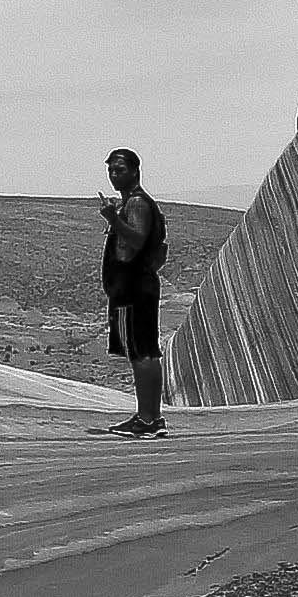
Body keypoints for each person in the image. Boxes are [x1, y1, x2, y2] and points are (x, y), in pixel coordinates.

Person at [95, 148, 173, 436]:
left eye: (120, 170)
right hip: (140, 287)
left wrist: (112, 219)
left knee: (141, 353)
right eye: (111, 170)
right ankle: (152, 417)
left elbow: (137, 239)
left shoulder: (138, 203)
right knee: (147, 351)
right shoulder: (136, 202)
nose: (114, 175)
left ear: (135, 170)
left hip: (132, 289)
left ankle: (147, 420)